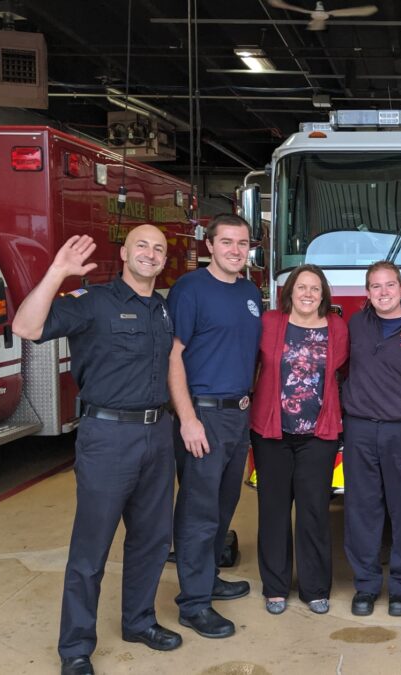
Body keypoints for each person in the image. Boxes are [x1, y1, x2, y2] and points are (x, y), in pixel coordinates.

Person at [13, 226, 180, 675]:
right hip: (107, 438)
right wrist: (57, 273)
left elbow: (170, 369)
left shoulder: (163, 309)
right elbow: (26, 327)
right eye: (141, 245)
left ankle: (139, 621)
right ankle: (75, 648)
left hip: (157, 434)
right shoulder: (92, 302)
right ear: (124, 253)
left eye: (159, 248)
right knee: (91, 549)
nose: (150, 254)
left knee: (149, 541)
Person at [166, 214, 261, 639]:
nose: (236, 250)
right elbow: (172, 356)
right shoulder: (190, 290)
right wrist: (187, 419)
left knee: (223, 506)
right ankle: (193, 604)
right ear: (209, 245)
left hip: (238, 414)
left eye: (242, 243)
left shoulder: (249, 291)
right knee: (198, 512)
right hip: (202, 414)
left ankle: (207, 578)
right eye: (227, 242)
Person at [249, 264, 349, 615]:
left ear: (324, 296)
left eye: (315, 289)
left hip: (318, 436)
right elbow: (251, 367)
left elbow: (344, 372)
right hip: (272, 433)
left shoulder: (337, 327)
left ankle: (315, 588)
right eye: (301, 287)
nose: (308, 294)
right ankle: (275, 588)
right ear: (289, 291)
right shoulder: (270, 323)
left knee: (314, 513)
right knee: (273, 512)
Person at [342, 261, 401, 617]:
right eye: (375, 287)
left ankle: (400, 588)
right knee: (361, 511)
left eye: (389, 285)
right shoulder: (355, 325)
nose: (383, 292)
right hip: (360, 429)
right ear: (367, 293)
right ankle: (365, 586)